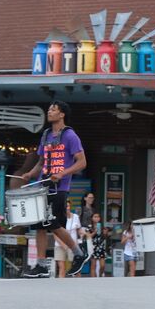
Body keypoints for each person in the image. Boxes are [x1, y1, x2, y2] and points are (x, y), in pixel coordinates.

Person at [19, 100, 90, 278]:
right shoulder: (46, 135)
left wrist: (63, 173)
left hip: (59, 188)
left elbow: (82, 162)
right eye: (49, 109)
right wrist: (30, 174)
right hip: (43, 186)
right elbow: (41, 162)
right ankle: (42, 266)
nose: (49, 112)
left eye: (53, 109)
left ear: (62, 114)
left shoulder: (70, 136)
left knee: (54, 225)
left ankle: (79, 253)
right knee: (39, 226)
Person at [56, 201, 85, 278]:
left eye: (68, 206)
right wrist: (63, 245)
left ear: (70, 207)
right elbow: (55, 233)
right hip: (59, 245)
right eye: (65, 206)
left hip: (73, 245)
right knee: (62, 268)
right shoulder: (58, 217)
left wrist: (82, 234)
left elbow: (79, 229)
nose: (66, 208)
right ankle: (61, 285)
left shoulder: (75, 217)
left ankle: (79, 286)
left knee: (76, 268)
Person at [89, 212, 108, 277]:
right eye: (95, 217)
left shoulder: (102, 226)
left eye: (98, 217)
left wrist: (105, 234)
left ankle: (99, 276)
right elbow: (88, 236)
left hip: (101, 247)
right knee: (93, 266)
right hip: (93, 247)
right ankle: (93, 281)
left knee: (102, 266)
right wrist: (95, 231)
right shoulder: (89, 227)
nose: (97, 218)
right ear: (92, 218)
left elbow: (104, 238)